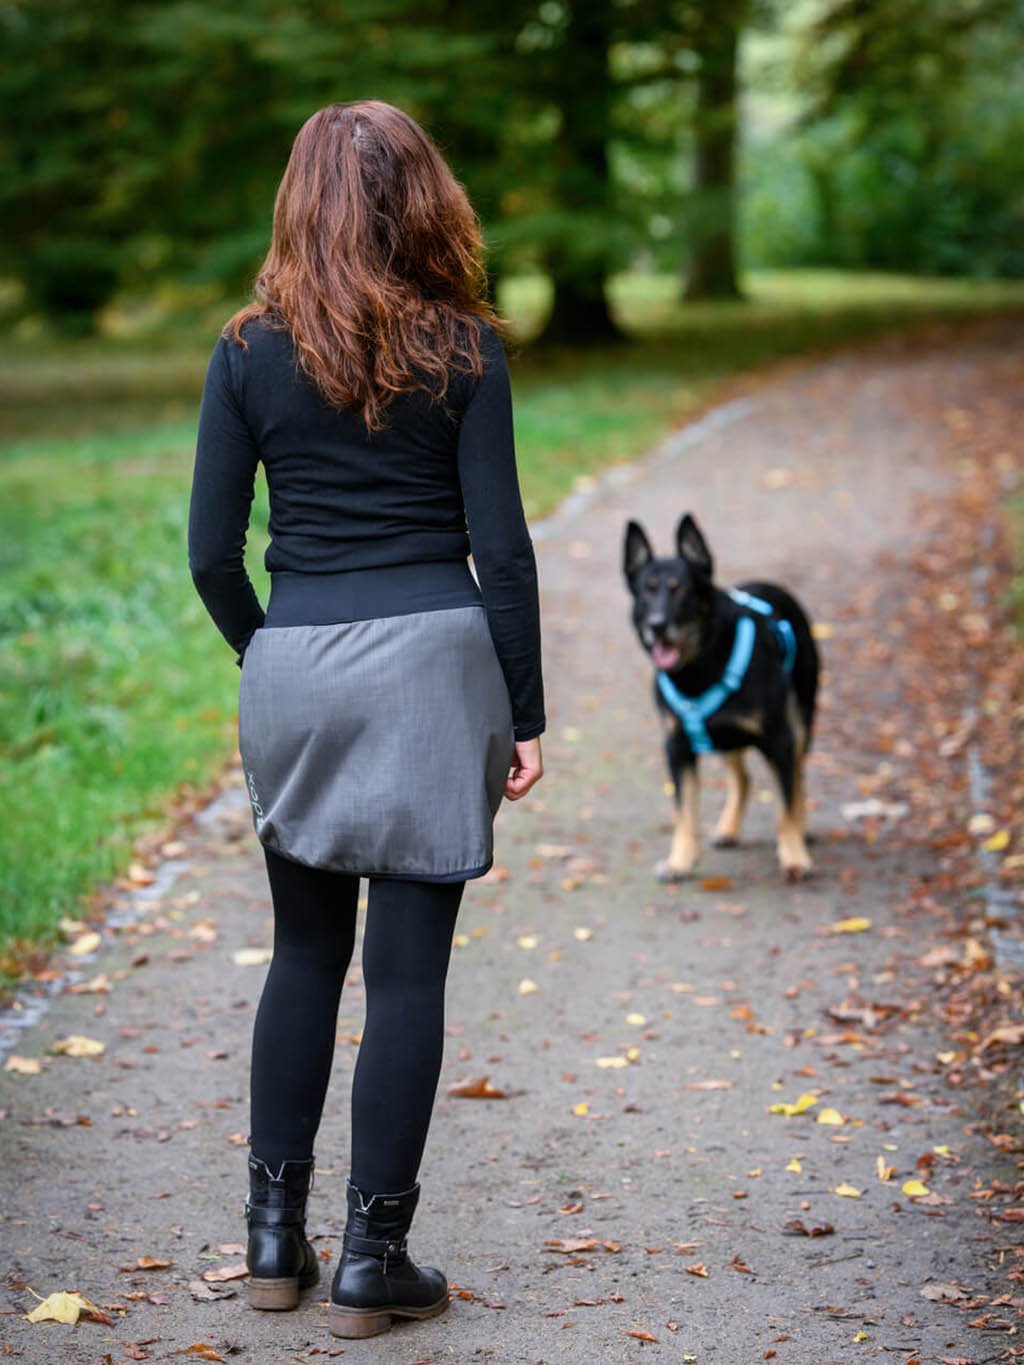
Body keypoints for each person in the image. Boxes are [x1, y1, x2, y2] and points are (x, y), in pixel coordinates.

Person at [187, 100, 545, 1340]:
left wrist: (273, 656)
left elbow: (210, 558)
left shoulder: (243, 352)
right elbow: (500, 550)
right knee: (403, 981)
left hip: (295, 664)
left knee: (299, 954)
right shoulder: (464, 347)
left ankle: (273, 1249)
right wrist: (524, 708)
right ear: (423, 199)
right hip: (434, 669)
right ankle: (369, 1266)